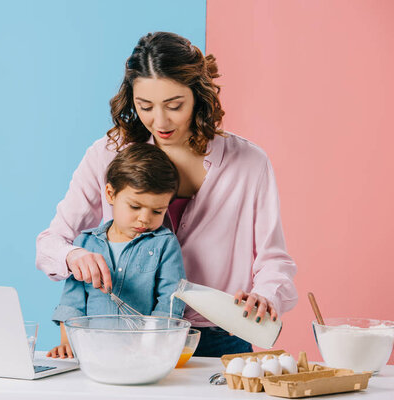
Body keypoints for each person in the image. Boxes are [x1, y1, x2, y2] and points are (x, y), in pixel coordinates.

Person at [36, 32, 298, 357]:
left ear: (198, 96)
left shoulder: (248, 163)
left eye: (174, 106)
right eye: (144, 106)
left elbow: (274, 259)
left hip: (218, 338)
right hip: (124, 335)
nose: (159, 121)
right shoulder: (106, 155)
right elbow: (51, 242)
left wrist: (266, 295)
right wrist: (73, 257)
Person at [47, 143, 186, 359]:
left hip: (141, 355)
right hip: (92, 353)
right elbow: (71, 301)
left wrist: (153, 343)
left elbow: (170, 300)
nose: (144, 218)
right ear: (110, 194)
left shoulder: (165, 244)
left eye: (157, 211)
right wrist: (67, 343)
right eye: (135, 206)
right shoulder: (85, 243)